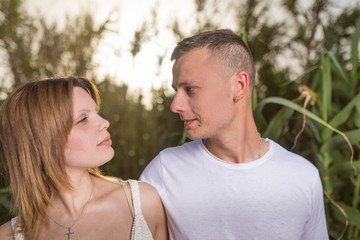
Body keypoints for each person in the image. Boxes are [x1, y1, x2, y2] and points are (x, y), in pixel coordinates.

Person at [140, 29, 329, 239]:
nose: (175, 105)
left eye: (190, 89)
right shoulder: (164, 172)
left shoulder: (303, 178)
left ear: (239, 86)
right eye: (176, 90)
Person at [0, 77, 168, 240]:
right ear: (42, 142)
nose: (105, 122)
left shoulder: (142, 203)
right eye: (82, 119)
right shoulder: (9, 235)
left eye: (96, 112)